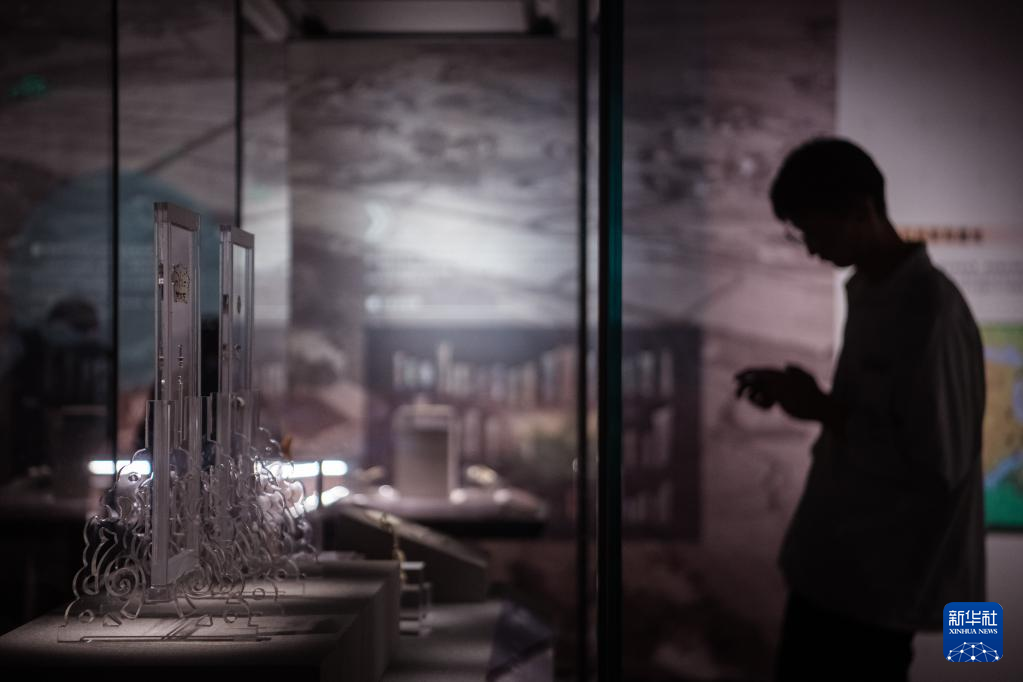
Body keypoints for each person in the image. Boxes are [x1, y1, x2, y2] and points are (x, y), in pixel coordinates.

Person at [735, 137, 986, 681]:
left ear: (860, 210)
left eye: (813, 230)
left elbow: (939, 464)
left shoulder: (929, 309)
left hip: (877, 586)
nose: (809, 248)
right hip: (845, 573)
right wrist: (818, 404)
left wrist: (824, 411)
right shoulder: (877, 292)